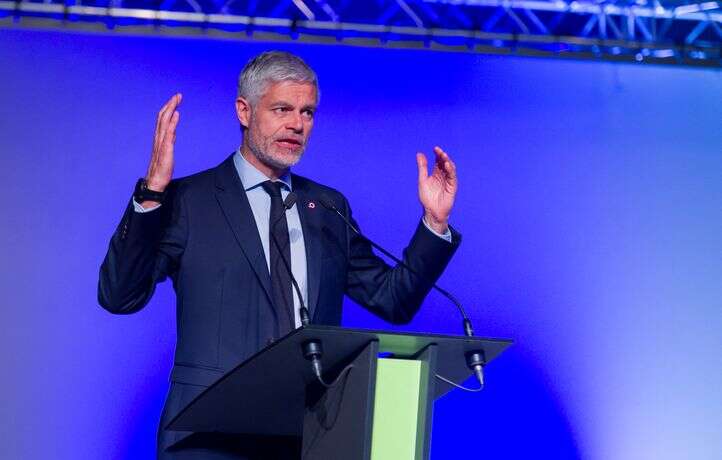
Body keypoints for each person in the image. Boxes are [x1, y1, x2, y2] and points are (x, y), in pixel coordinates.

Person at [98, 51, 461, 459]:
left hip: (308, 435)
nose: (297, 124)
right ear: (244, 110)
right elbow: (120, 295)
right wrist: (151, 195)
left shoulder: (326, 207)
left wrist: (434, 223)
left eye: (307, 113)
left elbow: (393, 301)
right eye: (282, 109)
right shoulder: (189, 200)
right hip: (207, 438)